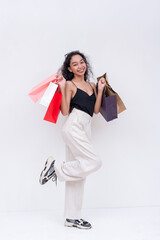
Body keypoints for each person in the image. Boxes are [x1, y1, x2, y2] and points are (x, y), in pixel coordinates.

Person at [39, 50, 106, 229]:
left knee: (79, 175)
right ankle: (56, 168)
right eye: (75, 64)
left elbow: (96, 110)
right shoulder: (69, 84)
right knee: (94, 162)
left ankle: (72, 217)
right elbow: (65, 111)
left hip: (86, 127)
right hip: (73, 125)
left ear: (86, 64)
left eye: (82, 62)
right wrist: (61, 87)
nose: (80, 66)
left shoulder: (92, 85)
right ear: (69, 68)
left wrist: (99, 90)